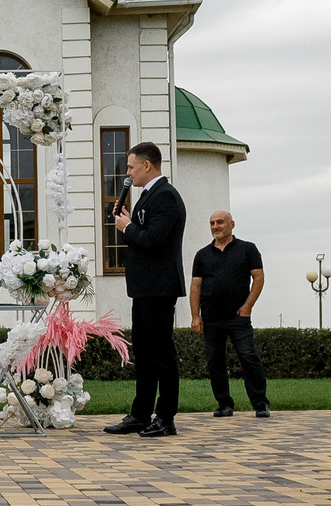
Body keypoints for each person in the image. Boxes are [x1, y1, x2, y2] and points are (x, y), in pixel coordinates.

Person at [105, 141, 184, 437]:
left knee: (162, 353)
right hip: (144, 288)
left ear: (147, 165)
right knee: (147, 354)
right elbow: (142, 237)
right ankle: (140, 414)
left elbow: (154, 240)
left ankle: (165, 417)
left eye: (130, 167)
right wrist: (126, 221)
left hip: (159, 287)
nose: (128, 173)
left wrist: (127, 227)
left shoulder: (166, 197)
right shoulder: (148, 197)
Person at [189, 210, 268, 418]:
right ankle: (224, 404)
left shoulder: (247, 249)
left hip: (238, 317)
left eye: (220, 222)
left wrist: (248, 306)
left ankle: (260, 403)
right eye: (212, 223)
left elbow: (258, 279)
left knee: (249, 358)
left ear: (232, 224)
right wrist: (195, 316)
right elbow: (195, 286)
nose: (216, 226)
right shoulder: (202, 255)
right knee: (215, 362)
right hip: (211, 318)